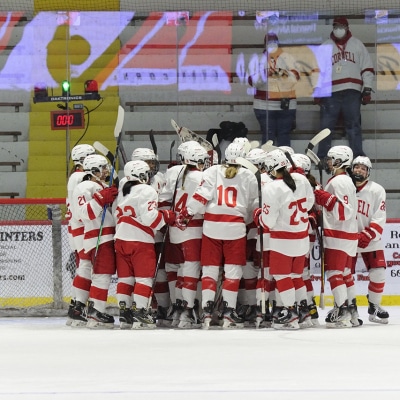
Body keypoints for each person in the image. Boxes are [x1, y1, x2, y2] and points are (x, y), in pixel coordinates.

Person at [176, 142, 259, 329]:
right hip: (235, 226)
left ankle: (206, 310)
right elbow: (253, 204)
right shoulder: (249, 176)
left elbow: (201, 197)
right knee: (233, 271)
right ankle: (229, 312)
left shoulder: (212, 171)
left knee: (210, 270)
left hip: (211, 226)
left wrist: (187, 213)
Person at [253, 149, 314, 330]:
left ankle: (290, 313)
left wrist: (258, 215)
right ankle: (303, 310)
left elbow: (268, 221)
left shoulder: (271, 187)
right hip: (302, 238)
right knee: (297, 276)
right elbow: (309, 204)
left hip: (283, 240)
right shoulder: (302, 180)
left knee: (282, 276)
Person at [114, 160, 176, 329]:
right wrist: (166, 216)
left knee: (125, 279)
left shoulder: (123, 189)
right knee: (143, 279)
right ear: (141, 175)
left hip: (120, 239)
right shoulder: (147, 190)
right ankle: (141, 313)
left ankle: (125, 314)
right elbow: (150, 218)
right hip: (140, 240)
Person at [158, 142, 209, 329]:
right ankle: (188, 311)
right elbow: (202, 205)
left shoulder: (178, 173)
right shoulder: (201, 176)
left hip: (176, 230)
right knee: (191, 271)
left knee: (180, 270)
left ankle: (179, 308)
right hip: (192, 228)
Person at [314, 16, 374, 160]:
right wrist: (318, 90)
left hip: (352, 91)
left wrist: (367, 87)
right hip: (331, 92)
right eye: (335, 26)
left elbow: (367, 68)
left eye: (341, 26)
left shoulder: (357, 44)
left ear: (347, 28)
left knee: (353, 125)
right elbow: (318, 71)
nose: (338, 29)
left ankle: (358, 156)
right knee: (326, 126)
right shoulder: (325, 46)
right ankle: (322, 156)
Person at [69, 154, 118, 329]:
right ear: (94, 170)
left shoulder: (97, 185)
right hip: (98, 236)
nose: (106, 171)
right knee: (101, 274)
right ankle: (96, 312)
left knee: (99, 273)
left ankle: (92, 310)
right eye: (103, 168)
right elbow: (84, 213)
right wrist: (101, 198)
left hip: (100, 235)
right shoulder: (85, 186)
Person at [313, 145, 359, 328]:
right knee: (346, 273)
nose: (329, 162)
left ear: (340, 160)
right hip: (348, 234)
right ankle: (352, 311)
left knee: (334, 273)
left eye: (332, 158)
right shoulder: (345, 181)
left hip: (338, 234)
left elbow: (342, 212)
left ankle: (342, 311)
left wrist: (322, 195)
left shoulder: (339, 182)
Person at [351, 156, 389, 324]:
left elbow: (379, 216)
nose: (359, 170)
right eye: (356, 167)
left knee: (379, 272)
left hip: (370, 238)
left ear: (368, 172)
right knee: (345, 275)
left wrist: (368, 234)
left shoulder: (377, 190)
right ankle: (349, 307)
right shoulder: (344, 186)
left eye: (363, 168)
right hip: (348, 239)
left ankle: (374, 305)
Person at [248, 32, 300, 146]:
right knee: (268, 136)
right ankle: (267, 162)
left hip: (286, 106)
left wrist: (280, 72)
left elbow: (295, 79)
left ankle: (286, 162)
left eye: (274, 42)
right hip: (263, 106)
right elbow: (252, 82)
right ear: (264, 44)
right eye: (269, 42)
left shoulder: (288, 58)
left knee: (284, 135)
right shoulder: (257, 60)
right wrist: (266, 73)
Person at [65, 144, 96, 325]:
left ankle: (76, 305)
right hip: (81, 228)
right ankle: (78, 307)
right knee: (85, 266)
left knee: (83, 266)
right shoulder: (79, 177)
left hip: (75, 228)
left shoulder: (74, 176)